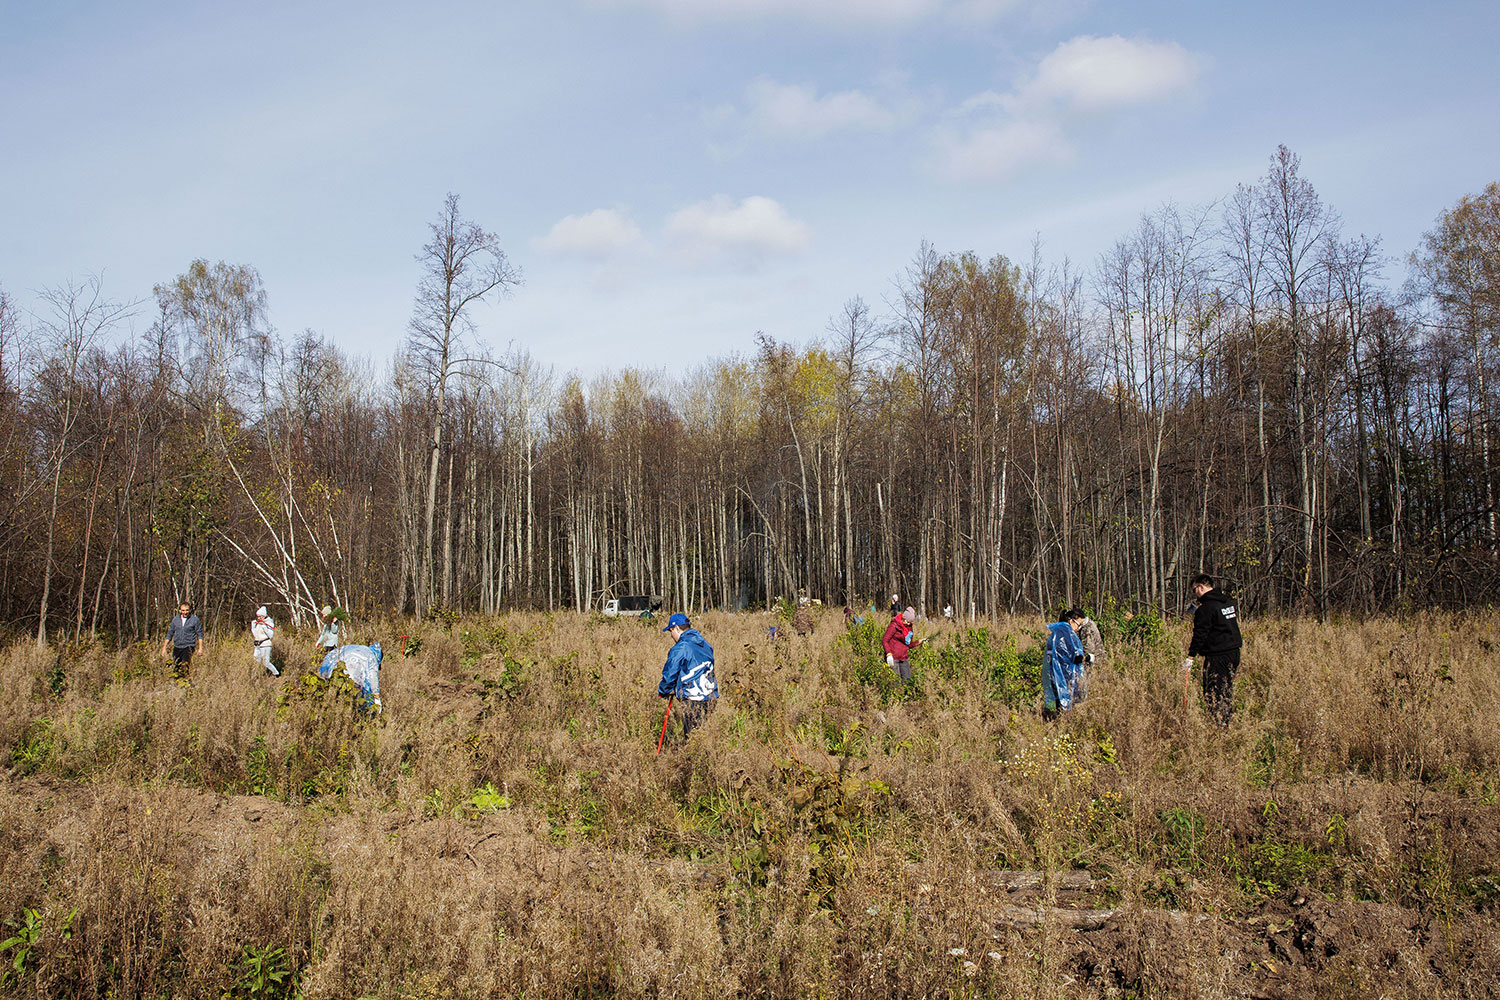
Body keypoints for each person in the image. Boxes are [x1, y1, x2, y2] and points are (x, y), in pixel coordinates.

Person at [1186, 573, 1242, 726]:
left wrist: (1191, 656)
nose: (1195, 594)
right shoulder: (1226, 602)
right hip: (1234, 653)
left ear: (1200, 587)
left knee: (1214, 692)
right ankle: (1226, 721)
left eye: (1194, 590)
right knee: (1226, 688)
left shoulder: (1207, 608)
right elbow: (1219, 623)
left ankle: (1219, 726)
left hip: (1218, 656)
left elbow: (1200, 634)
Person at [658, 612, 718, 740]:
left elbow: (670, 673)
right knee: (705, 735)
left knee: (692, 738)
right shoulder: (706, 645)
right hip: (711, 696)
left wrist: (664, 691)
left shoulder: (680, 648)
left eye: (671, 631)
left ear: (676, 628)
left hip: (692, 698)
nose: (671, 635)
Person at [1043, 608, 1094, 721]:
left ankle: (1056, 722)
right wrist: (1087, 659)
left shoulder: (1056, 632)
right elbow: (1074, 656)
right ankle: (1064, 724)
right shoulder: (1066, 634)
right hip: (1064, 676)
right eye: (1078, 625)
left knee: (1057, 703)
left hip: (1054, 674)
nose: (1078, 629)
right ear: (1071, 621)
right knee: (1066, 705)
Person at [161, 601, 203, 681]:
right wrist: (164, 648)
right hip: (177, 646)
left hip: (188, 646)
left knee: (185, 665)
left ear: (189, 610)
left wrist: (200, 648)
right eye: (183, 610)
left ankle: (186, 682)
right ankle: (177, 683)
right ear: (180, 610)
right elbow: (170, 633)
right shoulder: (175, 620)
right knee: (176, 666)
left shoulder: (194, 620)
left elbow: (199, 634)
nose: (185, 612)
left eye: (187, 610)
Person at [882, 606, 922, 682]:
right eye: (907, 621)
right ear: (903, 618)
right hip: (894, 658)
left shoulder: (909, 627)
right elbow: (885, 640)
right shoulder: (894, 625)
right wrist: (888, 654)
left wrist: (919, 642)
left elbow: (909, 644)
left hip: (903, 657)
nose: (908, 624)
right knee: (895, 682)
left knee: (907, 681)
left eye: (910, 622)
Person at [1074, 612, 1104, 700]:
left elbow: (1089, 649)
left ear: (1077, 617)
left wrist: (1080, 659)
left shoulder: (1087, 628)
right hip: (1095, 660)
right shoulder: (1087, 625)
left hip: (1096, 661)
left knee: (1093, 685)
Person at [251, 606, 279, 677]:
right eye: (257, 616)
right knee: (256, 662)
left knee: (266, 662)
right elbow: (256, 635)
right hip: (257, 645)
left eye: (260, 616)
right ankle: (254, 677)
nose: (258, 618)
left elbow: (270, 635)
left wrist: (264, 627)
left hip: (266, 645)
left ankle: (276, 673)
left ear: (263, 616)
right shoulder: (259, 624)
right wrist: (253, 627)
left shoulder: (269, 623)